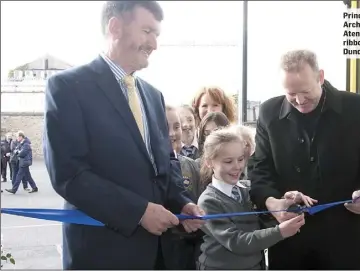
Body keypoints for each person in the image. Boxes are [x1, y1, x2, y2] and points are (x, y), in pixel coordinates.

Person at [43, 1, 204, 269]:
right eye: (147, 31)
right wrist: (138, 212)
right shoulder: (67, 87)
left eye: (157, 35)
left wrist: (181, 203)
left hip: (159, 254)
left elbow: (165, 163)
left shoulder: (153, 96)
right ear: (115, 27)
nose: (154, 44)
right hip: (103, 253)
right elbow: (69, 175)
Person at [248, 49, 360, 270]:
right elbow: (259, 168)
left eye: (305, 91)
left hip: (344, 235)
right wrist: (270, 202)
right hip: (290, 237)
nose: (299, 100)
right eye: (291, 94)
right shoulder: (268, 112)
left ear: (320, 77)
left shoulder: (356, 107)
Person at [197, 128, 311, 270]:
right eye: (228, 161)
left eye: (240, 159)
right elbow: (237, 242)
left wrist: (285, 203)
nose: (237, 167)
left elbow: (261, 221)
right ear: (209, 162)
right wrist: (280, 232)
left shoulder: (249, 189)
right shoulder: (208, 201)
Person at [161, 105, 203, 270]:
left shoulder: (191, 165)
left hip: (189, 251)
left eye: (176, 127)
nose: (172, 133)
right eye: (165, 128)